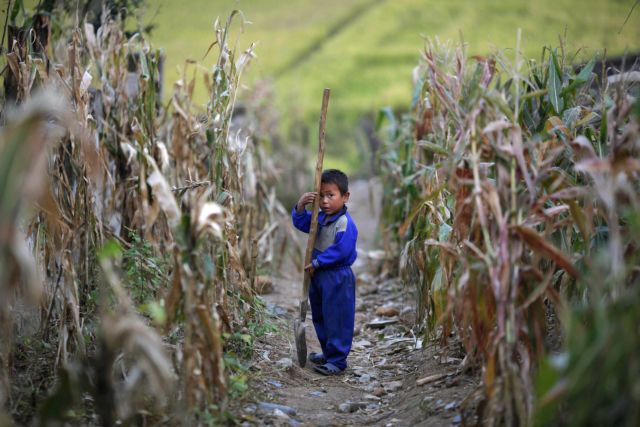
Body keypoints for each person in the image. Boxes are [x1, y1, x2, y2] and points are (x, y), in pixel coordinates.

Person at [292, 169, 358, 375]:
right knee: (321, 315)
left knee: (337, 317)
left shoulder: (344, 223)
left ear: (345, 196)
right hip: (318, 276)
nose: (325, 201)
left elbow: (342, 250)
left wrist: (319, 262)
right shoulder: (319, 218)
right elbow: (303, 224)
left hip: (337, 276)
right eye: (321, 195)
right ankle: (328, 353)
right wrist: (301, 206)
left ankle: (338, 360)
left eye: (331, 195)